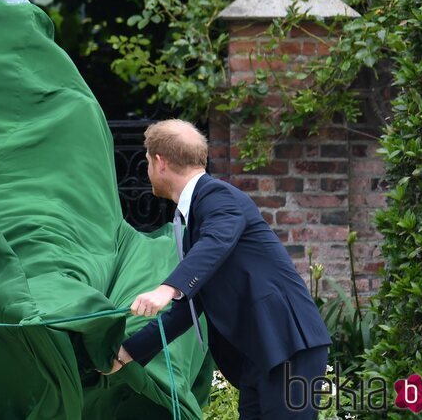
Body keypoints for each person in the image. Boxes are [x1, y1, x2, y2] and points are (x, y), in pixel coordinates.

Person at [109, 119, 330, 419]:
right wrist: (126, 354)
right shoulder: (197, 215)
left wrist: (166, 289)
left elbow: (217, 240)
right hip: (260, 355)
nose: (147, 170)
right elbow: (186, 311)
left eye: (147, 161)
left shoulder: (217, 197)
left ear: (160, 162)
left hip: (288, 346)